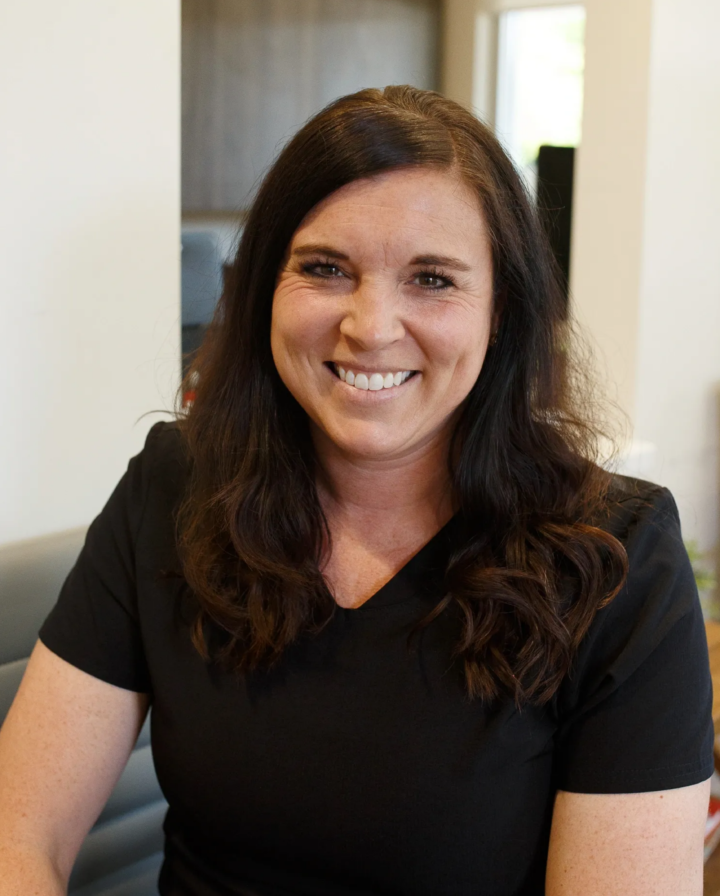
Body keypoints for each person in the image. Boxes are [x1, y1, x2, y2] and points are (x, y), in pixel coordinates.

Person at [0, 86, 713, 896]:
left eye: (433, 279)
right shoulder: (174, 490)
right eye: (326, 268)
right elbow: (18, 835)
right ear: (266, 283)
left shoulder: (617, 558)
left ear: (500, 310)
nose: (371, 327)